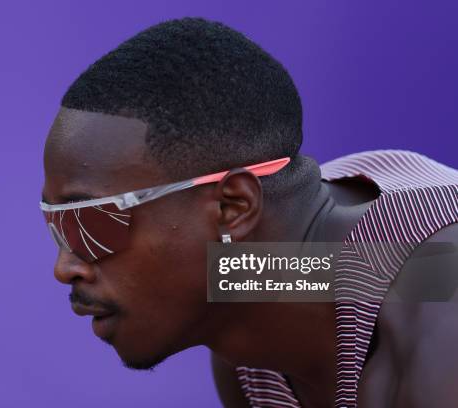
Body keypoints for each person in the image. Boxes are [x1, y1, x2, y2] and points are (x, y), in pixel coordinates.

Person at [39, 18, 458, 407]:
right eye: (55, 226)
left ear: (232, 207)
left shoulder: (438, 321)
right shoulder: (249, 320)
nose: (65, 268)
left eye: (88, 222)